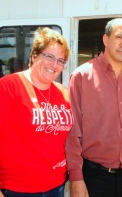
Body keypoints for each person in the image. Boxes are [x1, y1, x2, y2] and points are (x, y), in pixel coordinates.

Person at [65, 18, 122, 197]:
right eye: (119, 37)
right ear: (105, 39)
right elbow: (71, 131)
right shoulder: (81, 76)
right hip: (94, 176)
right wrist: (76, 178)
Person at [0, 27, 73, 197]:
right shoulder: (9, 87)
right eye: (49, 56)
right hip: (17, 189)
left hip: (56, 186)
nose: (54, 65)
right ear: (34, 55)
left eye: (61, 61)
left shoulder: (63, 92)